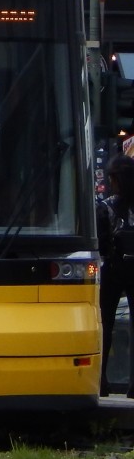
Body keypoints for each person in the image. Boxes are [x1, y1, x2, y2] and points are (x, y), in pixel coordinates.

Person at [99, 154, 134, 396]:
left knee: (105, 325)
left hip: (112, 269)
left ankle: (100, 381)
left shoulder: (107, 206)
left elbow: (101, 243)